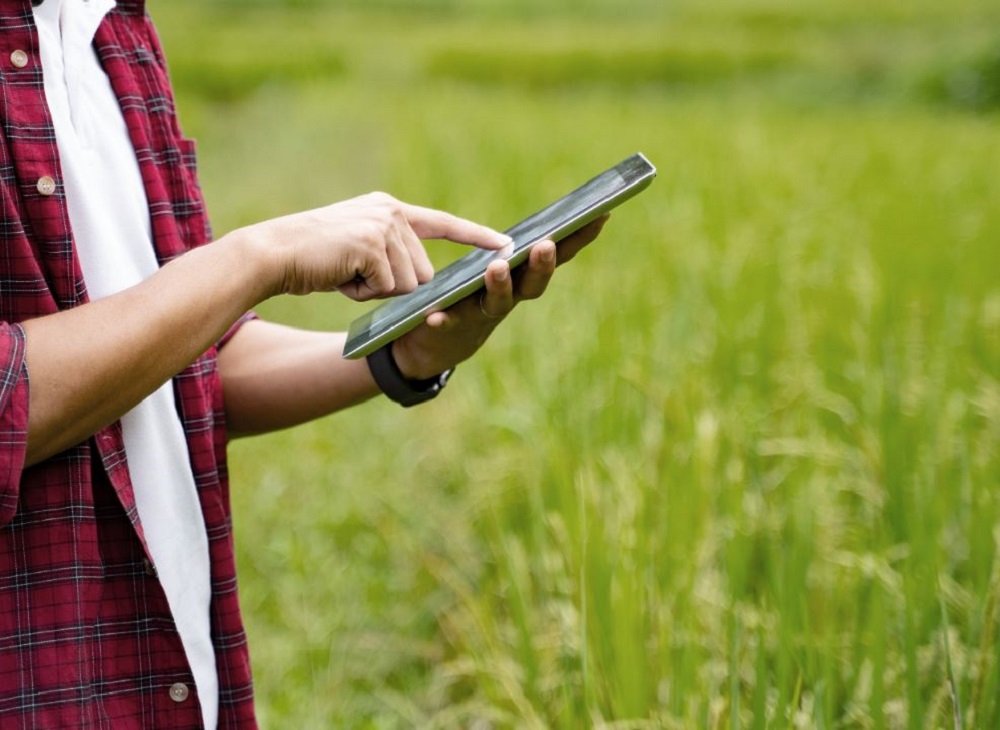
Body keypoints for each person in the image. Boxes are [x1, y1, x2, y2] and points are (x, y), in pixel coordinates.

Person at [0, 0, 606, 727]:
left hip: (173, 680)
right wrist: (259, 257)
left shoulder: (116, 29)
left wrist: (400, 352)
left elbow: (183, 363)